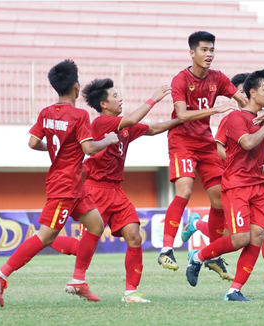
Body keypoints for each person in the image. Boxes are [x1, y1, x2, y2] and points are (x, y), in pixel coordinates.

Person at [0, 60, 119, 307]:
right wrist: (109, 140)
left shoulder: (46, 113)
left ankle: (78, 280)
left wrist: (59, 150)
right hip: (65, 185)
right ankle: (1, 273)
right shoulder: (80, 115)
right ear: (76, 87)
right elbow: (89, 148)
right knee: (46, 236)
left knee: (96, 225)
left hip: (72, 185)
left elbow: (33, 143)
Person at [49, 78, 179, 303]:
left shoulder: (124, 127)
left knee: (135, 237)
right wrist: (154, 99)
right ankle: (48, 238)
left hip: (117, 191)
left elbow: (155, 128)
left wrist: (182, 120)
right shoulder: (100, 123)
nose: (121, 99)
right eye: (116, 95)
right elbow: (132, 118)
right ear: (104, 104)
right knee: (85, 245)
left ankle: (131, 292)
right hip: (94, 189)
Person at [157, 31, 264, 280]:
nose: (209, 55)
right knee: (184, 191)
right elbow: (182, 115)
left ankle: (212, 256)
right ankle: (166, 249)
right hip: (182, 141)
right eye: (204, 50)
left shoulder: (218, 78)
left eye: (212, 50)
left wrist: (254, 114)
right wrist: (216, 108)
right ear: (192, 52)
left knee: (218, 200)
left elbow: (241, 100)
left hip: (205, 143)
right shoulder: (180, 80)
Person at [185, 67, 264, 302]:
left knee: (260, 233)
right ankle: (197, 257)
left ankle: (234, 290)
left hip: (258, 187)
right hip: (236, 186)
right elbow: (245, 143)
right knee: (239, 240)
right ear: (252, 92)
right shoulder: (236, 118)